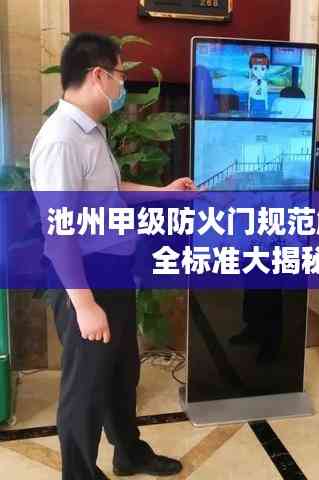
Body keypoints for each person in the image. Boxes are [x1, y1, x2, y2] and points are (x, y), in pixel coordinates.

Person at [29, 32, 195, 479]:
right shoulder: (61, 140)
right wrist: (85, 305)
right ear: (98, 75)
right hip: (85, 279)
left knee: (121, 375)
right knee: (85, 388)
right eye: (121, 74)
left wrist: (162, 192)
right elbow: (59, 232)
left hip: (113, 272)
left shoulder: (90, 131)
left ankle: (129, 452)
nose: (123, 85)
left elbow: (108, 189)